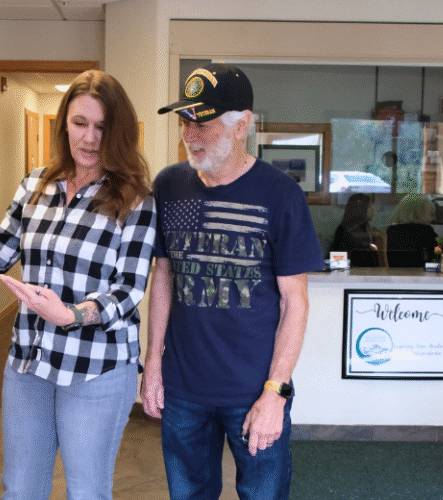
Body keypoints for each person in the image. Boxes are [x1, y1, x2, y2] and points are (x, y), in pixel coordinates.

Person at [0, 69, 156, 499]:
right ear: (64, 125)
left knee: (87, 490)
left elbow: (128, 289)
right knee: (21, 488)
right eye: (80, 124)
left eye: (102, 127)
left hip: (95, 367)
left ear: (119, 132)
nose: (90, 138)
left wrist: (72, 314)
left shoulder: (135, 199)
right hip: (29, 363)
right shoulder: (36, 186)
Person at [141, 62, 325, 500]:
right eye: (186, 121)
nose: (190, 133)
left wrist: (275, 393)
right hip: (184, 387)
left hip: (254, 389)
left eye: (203, 123)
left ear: (242, 124)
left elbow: (294, 304)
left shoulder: (280, 194)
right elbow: (164, 276)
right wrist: (152, 364)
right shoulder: (170, 184)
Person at [330, 193, 388, 267]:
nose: (372, 210)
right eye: (370, 206)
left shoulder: (363, 228)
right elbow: (338, 264)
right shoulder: (348, 231)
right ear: (361, 209)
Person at [386, 193, 438, 267]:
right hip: (418, 275)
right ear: (422, 213)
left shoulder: (392, 230)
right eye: (431, 214)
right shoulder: (425, 231)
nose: (433, 219)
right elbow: (436, 256)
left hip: (394, 274)